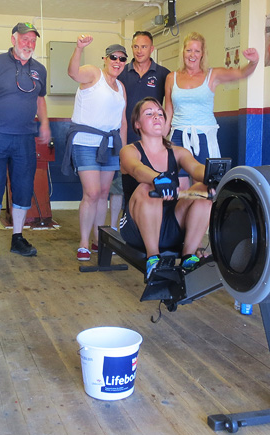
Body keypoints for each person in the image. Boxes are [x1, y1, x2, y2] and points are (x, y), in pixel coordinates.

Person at [0, 22, 51, 260]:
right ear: (14, 39)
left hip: (25, 138)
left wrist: (44, 123)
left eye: (33, 40)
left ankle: (17, 238)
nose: (30, 44)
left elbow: (40, 99)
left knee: (23, 189)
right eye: (25, 39)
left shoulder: (40, 70)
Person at [119, 97, 213, 279]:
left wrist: (213, 177)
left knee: (203, 191)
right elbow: (137, 169)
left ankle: (188, 256)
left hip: (172, 226)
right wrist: (158, 179)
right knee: (146, 188)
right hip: (137, 230)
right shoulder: (129, 151)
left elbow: (195, 168)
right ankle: (153, 259)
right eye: (149, 114)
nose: (157, 117)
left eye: (160, 114)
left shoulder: (178, 152)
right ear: (137, 124)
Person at [164, 32, 259, 189]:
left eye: (197, 51)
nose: (192, 55)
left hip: (203, 136)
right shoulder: (171, 77)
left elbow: (241, 73)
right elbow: (168, 113)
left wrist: (253, 62)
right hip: (178, 135)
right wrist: (158, 141)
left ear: (202, 54)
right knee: (178, 187)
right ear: (183, 52)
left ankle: (200, 214)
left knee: (202, 186)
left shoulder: (212, 75)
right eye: (189, 50)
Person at [63, 35, 127, 261]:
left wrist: (124, 151)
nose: (117, 61)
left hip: (110, 144)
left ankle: (99, 239)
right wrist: (79, 48)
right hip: (85, 142)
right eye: (113, 57)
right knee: (90, 193)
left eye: (122, 59)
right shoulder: (94, 73)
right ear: (105, 59)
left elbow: (122, 121)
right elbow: (73, 73)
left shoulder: (120, 87)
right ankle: (83, 243)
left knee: (102, 194)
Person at [113, 30, 171, 230]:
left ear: (152, 49)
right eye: (136, 46)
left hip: (150, 143)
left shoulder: (164, 74)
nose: (139, 51)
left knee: (148, 184)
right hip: (123, 140)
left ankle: (149, 228)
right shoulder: (121, 72)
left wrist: (163, 134)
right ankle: (120, 228)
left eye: (144, 46)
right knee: (121, 187)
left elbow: (170, 106)